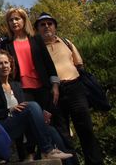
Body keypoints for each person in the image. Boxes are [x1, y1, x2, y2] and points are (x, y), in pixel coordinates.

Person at [0, 50, 74, 161]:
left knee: (51, 130)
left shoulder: (16, 85)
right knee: (32, 106)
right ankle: (47, 151)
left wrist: (39, 117)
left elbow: (25, 111)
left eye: (6, 62)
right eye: (0, 63)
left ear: (10, 66)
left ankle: (62, 158)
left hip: (19, 126)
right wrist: (9, 110)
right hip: (2, 127)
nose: (4, 66)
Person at [37, 12, 103, 164]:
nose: (46, 26)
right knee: (63, 134)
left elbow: (78, 63)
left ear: (55, 27)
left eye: (49, 23)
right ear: (37, 29)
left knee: (86, 129)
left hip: (75, 88)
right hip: (54, 93)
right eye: (42, 24)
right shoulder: (37, 49)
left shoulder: (66, 42)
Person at [0, 8, 59, 112]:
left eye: (17, 19)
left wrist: (55, 85)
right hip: (22, 90)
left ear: (24, 20)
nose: (14, 22)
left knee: (51, 120)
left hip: (43, 86)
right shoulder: (6, 44)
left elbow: (48, 63)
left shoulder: (36, 39)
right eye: (11, 20)